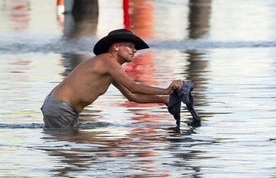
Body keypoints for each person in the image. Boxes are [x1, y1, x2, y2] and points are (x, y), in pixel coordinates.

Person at [41, 29, 183, 129]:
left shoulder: (110, 68)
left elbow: (132, 96)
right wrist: (167, 90)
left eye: (134, 48)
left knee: (78, 147)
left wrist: (163, 99)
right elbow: (133, 86)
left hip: (60, 108)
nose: (134, 50)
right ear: (115, 47)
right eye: (130, 46)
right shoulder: (107, 61)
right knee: (77, 150)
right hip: (61, 108)